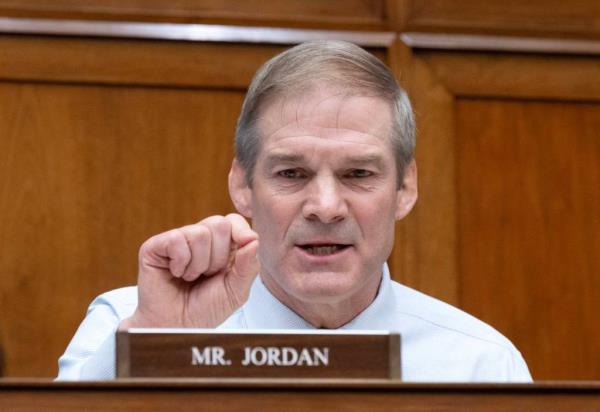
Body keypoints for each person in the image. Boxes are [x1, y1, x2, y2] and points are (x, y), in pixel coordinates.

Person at [57, 40, 531, 382]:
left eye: (359, 174)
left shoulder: (481, 364)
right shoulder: (132, 324)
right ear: (242, 186)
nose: (325, 207)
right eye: (291, 174)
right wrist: (156, 348)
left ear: (405, 187)